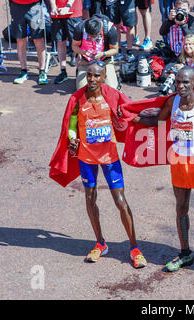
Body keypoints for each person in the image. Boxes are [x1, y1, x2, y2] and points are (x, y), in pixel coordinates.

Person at [129, 66, 194, 281]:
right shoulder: (172, 102)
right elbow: (158, 122)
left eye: (186, 82)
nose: (181, 86)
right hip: (178, 160)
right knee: (181, 209)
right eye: (178, 82)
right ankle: (185, 253)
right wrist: (132, 119)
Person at [49, 60, 147, 268]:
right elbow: (72, 122)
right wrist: (73, 137)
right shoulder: (77, 98)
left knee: (120, 201)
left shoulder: (111, 95)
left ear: (103, 77)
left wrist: (155, 118)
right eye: (89, 75)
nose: (92, 79)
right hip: (86, 157)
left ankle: (134, 248)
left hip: (109, 157)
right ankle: (100, 243)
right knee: (90, 197)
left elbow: (130, 113)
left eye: (96, 76)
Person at [72, 14, 120, 90]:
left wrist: (103, 54)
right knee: (82, 90)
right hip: (86, 62)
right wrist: (84, 52)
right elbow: (74, 46)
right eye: (89, 35)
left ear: (100, 29)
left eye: (95, 36)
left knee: (112, 89)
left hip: (105, 61)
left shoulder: (110, 29)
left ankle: (110, 75)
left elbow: (115, 49)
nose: (92, 38)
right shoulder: (80, 28)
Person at [9, 0, 48, 85]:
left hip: (35, 5)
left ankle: (42, 71)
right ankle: (23, 71)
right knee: (20, 39)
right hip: (16, 6)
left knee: (38, 39)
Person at [50, 0, 83, 84]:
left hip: (73, 13)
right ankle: (63, 71)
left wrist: (68, 6)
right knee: (60, 42)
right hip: (58, 14)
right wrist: (53, 6)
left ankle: (79, 71)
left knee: (76, 43)